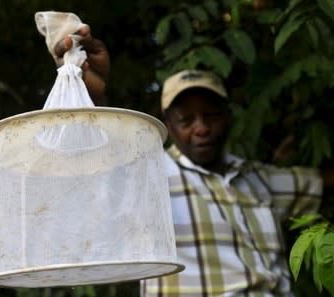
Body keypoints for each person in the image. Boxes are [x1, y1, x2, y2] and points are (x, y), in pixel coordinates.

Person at [54, 25, 334, 296]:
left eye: (210, 116)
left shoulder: (258, 178)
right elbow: (94, 167)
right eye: (186, 120)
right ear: (169, 127)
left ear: (228, 117)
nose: (200, 128)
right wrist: (92, 94)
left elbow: (321, 181)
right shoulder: (148, 176)